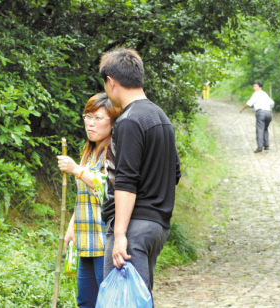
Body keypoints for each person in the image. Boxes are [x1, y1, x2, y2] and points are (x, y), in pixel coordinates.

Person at [99, 47, 181, 300]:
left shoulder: (129, 121)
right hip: (156, 226)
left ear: (111, 82)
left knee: (125, 301)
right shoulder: (160, 116)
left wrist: (121, 235)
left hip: (133, 228)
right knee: (138, 298)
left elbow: (126, 181)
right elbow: (175, 172)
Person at [57, 93, 120, 308]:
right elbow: (83, 194)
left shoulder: (113, 150)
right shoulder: (88, 150)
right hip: (85, 239)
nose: (90, 123)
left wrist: (76, 169)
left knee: (106, 301)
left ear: (112, 123)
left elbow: (108, 187)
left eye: (98, 118)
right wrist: (72, 226)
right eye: (87, 116)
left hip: (105, 241)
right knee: (85, 301)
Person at [240, 81, 275, 153]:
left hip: (261, 113)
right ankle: (266, 144)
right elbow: (272, 103)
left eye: (256, 86)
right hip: (268, 113)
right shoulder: (265, 94)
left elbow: (249, 103)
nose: (254, 88)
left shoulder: (256, 94)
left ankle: (259, 148)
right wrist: (270, 107)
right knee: (265, 128)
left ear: (260, 87)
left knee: (260, 129)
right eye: (253, 86)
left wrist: (243, 108)